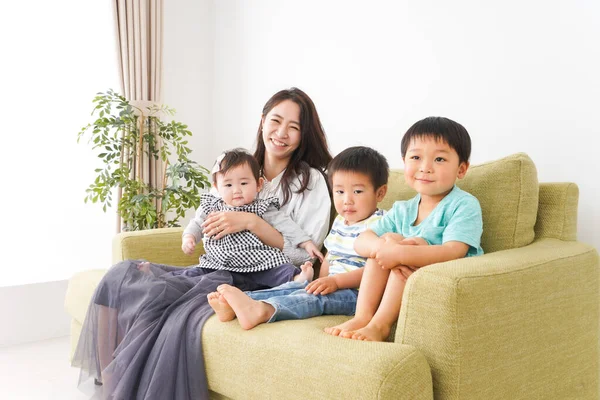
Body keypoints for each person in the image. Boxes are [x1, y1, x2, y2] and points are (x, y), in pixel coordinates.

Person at [71, 87, 332, 400]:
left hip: (261, 276)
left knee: (175, 315)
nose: (282, 133)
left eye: (294, 127)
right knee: (120, 275)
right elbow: (201, 220)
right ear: (262, 121)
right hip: (215, 266)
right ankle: (110, 386)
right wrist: (191, 235)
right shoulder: (237, 168)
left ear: (304, 135)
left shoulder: (311, 181)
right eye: (276, 121)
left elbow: (302, 255)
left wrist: (251, 222)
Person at [325, 116, 484, 342]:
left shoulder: (464, 204)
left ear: (461, 169)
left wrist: (401, 253)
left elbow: (454, 251)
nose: (425, 168)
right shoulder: (402, 209)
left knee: (412, 243)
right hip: (403, 274)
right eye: (416, 157)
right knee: (389, 239)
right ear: (404, 161)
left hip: (445, 278)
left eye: (439, 159)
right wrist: (384, 247)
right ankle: (363, 317)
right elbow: (362, 240)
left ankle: (381, 325)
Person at [207, 146, 388, 330]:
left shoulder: (383, 224)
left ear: (380, 193)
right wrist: (320, 280)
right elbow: (329, 259)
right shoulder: (341, 222)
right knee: (292, 288)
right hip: (332, 285)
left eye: (357, 192)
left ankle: (263, 310)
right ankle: (237, 304)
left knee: (311, 299)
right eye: (340, 192)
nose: (347, 200)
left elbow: (377, 271)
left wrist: (335, 282)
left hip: (357, 296)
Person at [179, 148, 321, 283]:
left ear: (258, 184)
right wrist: (189, 238)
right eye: (228, 185)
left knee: (279, 268)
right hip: (219, 264)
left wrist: (305, 242)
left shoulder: (262, 207)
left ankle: (297, 279)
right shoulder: (211, 206)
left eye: (244, 183)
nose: (237, 190)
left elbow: (286, 225)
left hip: (258, 262)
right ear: (216, 187)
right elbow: (197, 223)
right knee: (196, 275)